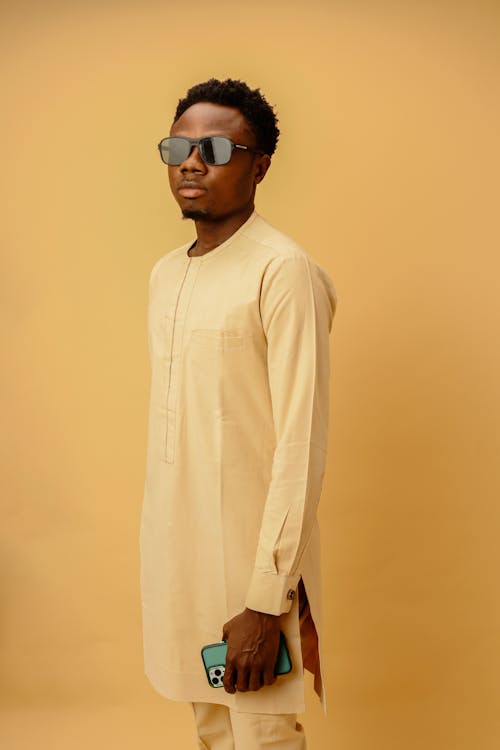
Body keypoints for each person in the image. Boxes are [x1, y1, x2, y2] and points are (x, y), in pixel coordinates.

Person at [139, 78, 338, 750]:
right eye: (179, 146)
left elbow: (298, 443)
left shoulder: (283, 271)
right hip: (182, 555)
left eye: (217, 147)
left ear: (260, 165)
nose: (191, 162)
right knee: (210, 732)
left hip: (254, 571)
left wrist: (265, 599)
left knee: (261, 737)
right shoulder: (166, 273)